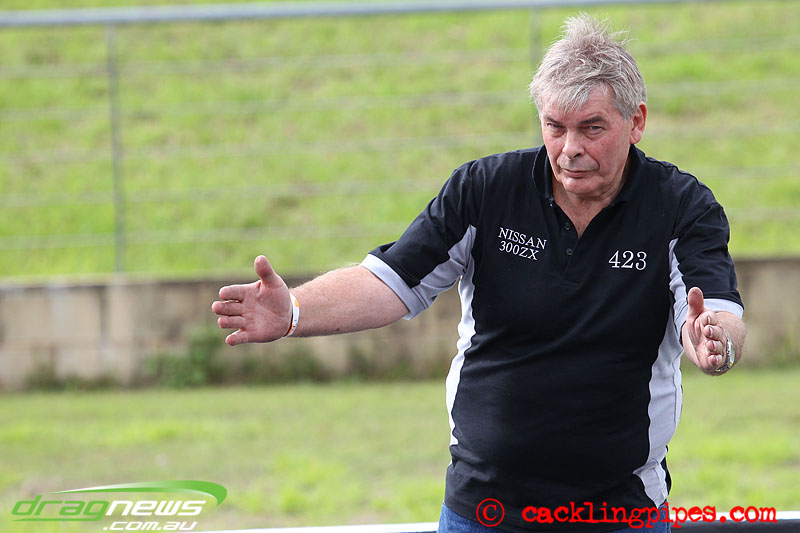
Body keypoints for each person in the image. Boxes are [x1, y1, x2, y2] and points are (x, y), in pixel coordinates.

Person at [212, 14, 745, 532]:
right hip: (482, 510)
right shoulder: (485, 190)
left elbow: (715, 313)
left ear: (637, 122)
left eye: (592, 128)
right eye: (554, 127)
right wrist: (294, 311)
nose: (570, 149)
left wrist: (715, 342)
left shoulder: (682, 206)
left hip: (621, 512)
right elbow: (390, 282)